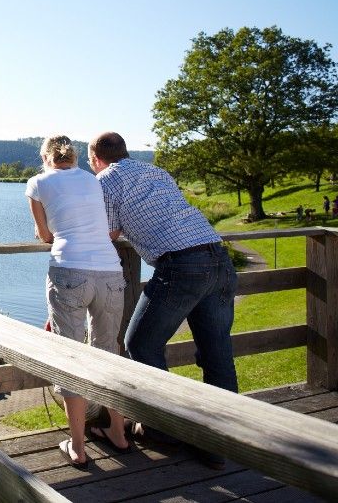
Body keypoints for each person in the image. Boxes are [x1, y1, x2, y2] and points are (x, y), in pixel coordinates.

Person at [88, 131, 237, 469]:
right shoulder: (157, 172)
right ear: (124, 151)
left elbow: (108, 233)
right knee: (217, 353)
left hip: (181, 266)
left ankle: (164, 427)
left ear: (96, 159)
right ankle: (221, 446)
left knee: (140, 342)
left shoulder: (106, 180)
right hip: (218, 259)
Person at [26, 135, 130, 469]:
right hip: (111, 272)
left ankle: (78, 447)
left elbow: (45, 235)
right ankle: (118, 432)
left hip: (70, 271)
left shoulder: (38, 183)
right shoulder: (92, 179)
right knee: (108, 354)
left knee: (71, 357)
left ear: (45, 157)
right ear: (73, 156)